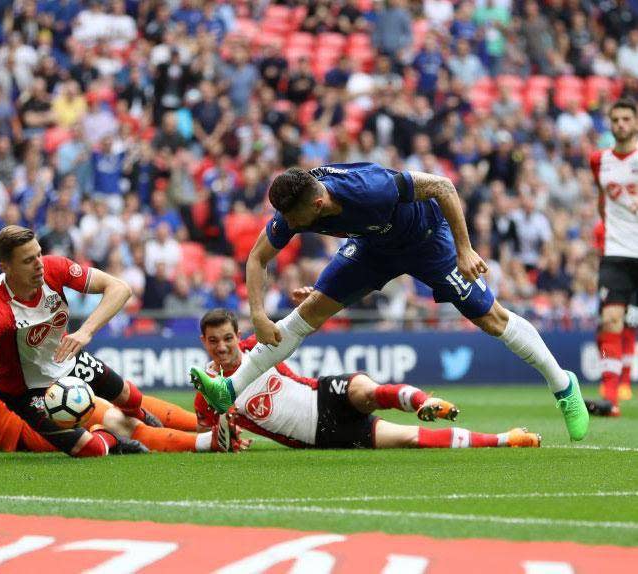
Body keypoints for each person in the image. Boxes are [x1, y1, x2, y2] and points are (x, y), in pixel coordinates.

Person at [191, 163, 589, 442]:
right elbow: (258, 257)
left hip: (426, 241)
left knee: (490, 318)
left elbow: (444, 186)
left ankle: (562, 384)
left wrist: (465, 249)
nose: (287, 226)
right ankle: (231, 388)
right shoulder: (297, 203)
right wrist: (258, 315)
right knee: (311, 310)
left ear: (315, 206)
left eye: (292, 219)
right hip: (372, 247)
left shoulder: (371, 187)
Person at [0, 226, 236, 455]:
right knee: (94, 448)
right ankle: (122, 437)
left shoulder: (55, 269)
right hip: (28, 391)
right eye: (28, 260)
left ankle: (186, 427)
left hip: (67, 358)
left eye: (38, 255)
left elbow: (120, 288)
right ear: (6, 267)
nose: (39, 264)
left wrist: (85, 332)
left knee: (129, 395)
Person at [0, 296, 232, 454]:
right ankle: (206, 441)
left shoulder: (6, 350)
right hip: (35, 421)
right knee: (119, 420)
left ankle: (208, 425)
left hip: (41, 411)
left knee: (120, 402)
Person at [194, 309, 540, 449]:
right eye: (214, 341)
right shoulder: (206, 395)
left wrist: (302, 306)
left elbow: (297, 330)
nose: (222, 347)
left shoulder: (258, 346)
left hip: (322, 395)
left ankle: (423, 401)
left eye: (227, 338)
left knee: (365, 389)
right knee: (410, 439)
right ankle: (505, 439)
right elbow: (212, 440)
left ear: (238, 335)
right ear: (204, 343)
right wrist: (226, 432)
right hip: (321, 436)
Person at [588, 99, 638, 417]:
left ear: (635, 123)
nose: (620, 124)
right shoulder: (599, 160)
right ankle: (611, 398)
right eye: (615, 119)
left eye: (626, 119)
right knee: (611, 321)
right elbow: (602, 200)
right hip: (617, 253)